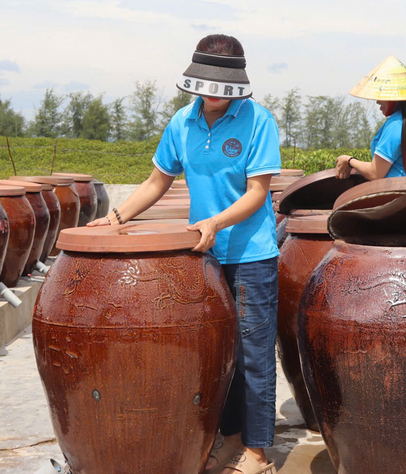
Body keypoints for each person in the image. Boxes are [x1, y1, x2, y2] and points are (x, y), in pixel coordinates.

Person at [88, 34, 280, 474]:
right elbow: (158, 182)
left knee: (253, 353)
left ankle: (257, 453)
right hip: (202, 257)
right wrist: (115, 218)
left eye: (220, 85)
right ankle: (230, 438)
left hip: (250, 255)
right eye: (205, 84)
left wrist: (216, 221)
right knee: (218, 352)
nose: (211, 93)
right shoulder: (182, 122)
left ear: (236, 84)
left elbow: (257, 193)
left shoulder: (257, 122)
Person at [335, 55, 406, 180]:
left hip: (394, 193)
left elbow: (375, 173)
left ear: (394, 97)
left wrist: (349, 160)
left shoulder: (396, 125)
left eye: (381, 95)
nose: (377, 101)